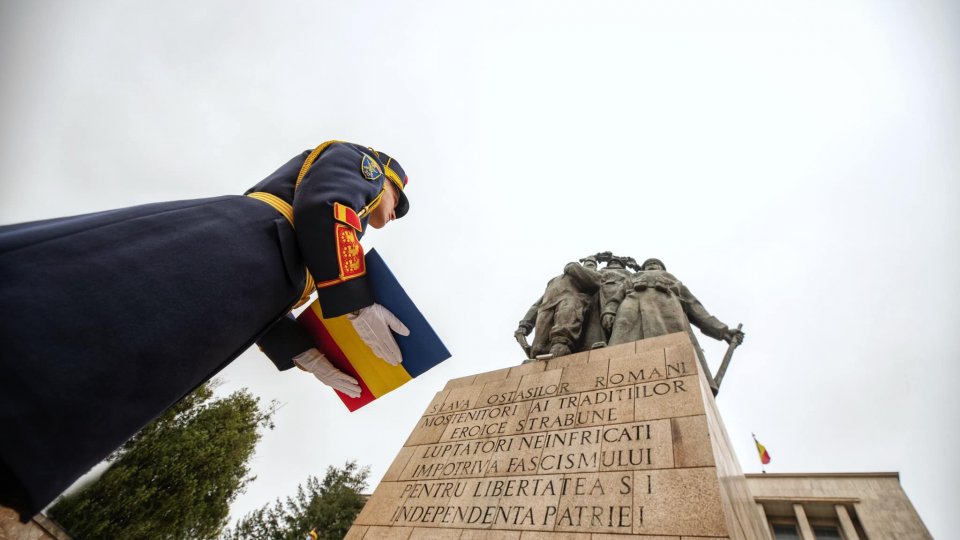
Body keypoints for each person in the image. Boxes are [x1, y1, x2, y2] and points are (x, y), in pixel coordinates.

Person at [0, 140, 410, 520]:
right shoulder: (364, 166)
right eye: (398, 201)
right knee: (89, 312)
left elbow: (281, 284)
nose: (394, 214)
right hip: (238, 244)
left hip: (248, 277)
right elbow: (326, 205)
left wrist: (302, 351)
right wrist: (356, 301)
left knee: (107, 366)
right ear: (384, 177)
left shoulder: (329, 240)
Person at [602, 258, 744, 346]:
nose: (652, 265)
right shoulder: (632, 278)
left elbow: (693, 305)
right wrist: (609, 311)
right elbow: (617, 296)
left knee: (674, 347)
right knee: (620, 340)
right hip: (631, 307)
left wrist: (721, 330)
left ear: (662, 269)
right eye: (648, 264)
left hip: (667, 309)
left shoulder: (674, 280)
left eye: (656, 264)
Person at [516, 259, 602, 358]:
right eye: (588, 264)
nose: (589, 267)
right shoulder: (555, 280)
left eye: (592, 265)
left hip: (570, 301)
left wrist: (573, 266)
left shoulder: (589, 274)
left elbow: (593, 281)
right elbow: (537, 304)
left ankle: (558, 358)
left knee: (562, 338)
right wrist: (525, 324)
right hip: (546, 307)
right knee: (538, 347)